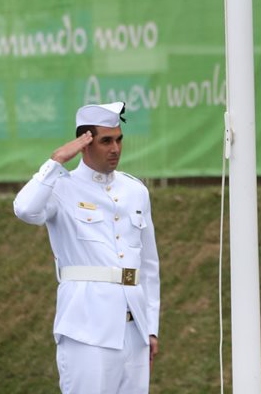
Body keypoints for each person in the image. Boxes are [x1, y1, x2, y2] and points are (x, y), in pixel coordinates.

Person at [14, 102, 160, 394]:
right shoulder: (61, 187)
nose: (115, 149)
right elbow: (25, 209)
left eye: (118, 139)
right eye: (106, 141)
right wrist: (55, 162)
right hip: (87, 329)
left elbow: (148, 266)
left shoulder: (135, 191)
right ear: (85, 144)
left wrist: (151, 327)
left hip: (134, 329)